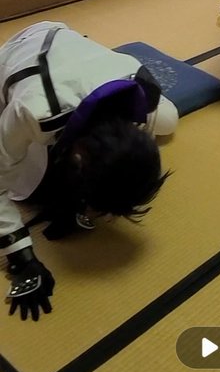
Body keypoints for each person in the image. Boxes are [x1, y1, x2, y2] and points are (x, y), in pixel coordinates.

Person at [0, 22, 178, 322]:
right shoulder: (34, 111)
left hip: (68, 47)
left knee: (168, 120)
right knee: (26, 188)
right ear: (77, 156)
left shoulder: (141, 88)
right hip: (14, 59)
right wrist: (21, 258)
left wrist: (80, 200)